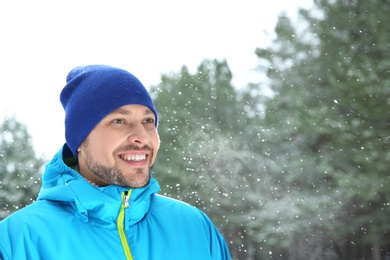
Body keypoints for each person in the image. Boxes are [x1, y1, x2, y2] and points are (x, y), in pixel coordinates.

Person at [0, 65, 232, 260]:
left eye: (148, 120)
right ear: (79, 140)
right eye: (119, 120)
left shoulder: (193, 227)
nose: (142, 136)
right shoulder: (18, 240)